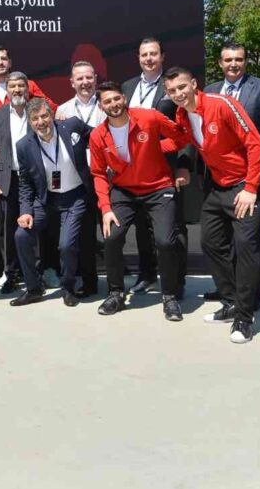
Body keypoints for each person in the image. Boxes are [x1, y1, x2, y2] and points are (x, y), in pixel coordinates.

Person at [163, 67, 260, 343]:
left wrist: (251, 188)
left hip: (245, 186)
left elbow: (255, 144)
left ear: (193, 84)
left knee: (245, 247)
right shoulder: (182, 115)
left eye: (182, 87)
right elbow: (179, 142)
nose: (178, 94)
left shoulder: (222, 104)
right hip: (217, 187)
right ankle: (231, 301)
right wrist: (141, 147)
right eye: (172, 91)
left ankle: (244, 317)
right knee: (210, 242)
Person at [88, 81, 189, 322]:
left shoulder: (149, 117)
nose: (113, 104)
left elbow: (181, 137)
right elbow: (99, 174)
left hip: (159, 188)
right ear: (101, 107)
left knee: (165, 241)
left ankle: (170, 296)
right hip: (124, 191)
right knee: (112, 237)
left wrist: (158, 146)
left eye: (116, 99)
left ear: (124, 98)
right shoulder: (97, 135)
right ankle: (115, 293)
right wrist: (105, 209)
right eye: (107, 101)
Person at [202, 43, 260, 307]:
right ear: (220, 63)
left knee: (250, 239)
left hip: (250, 176)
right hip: (217, 179)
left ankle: (255, 293)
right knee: (220, 238)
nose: (233, 64)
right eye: (228, 60)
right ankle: (229, 288)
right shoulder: (210, 91)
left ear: (246, 61)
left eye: (238, 59)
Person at [121, 38, 193, 297]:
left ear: (162, 56)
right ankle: (147, 275)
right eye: (144, 55)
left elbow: (186, 128)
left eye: (153, 54)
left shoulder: (172, 86)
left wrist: (183, 166)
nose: (149, 59)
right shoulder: (127, 86)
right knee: (142, 226)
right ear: (138, 58)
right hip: (135, 170)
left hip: (167, 167)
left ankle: (177, 281)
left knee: (173, 228)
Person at [9, 98, 92, 307]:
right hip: (46, 199)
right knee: (21, 235)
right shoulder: (24, 146)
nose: (41, 122)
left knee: (66, 245)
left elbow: (98, 136)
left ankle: (68, 288)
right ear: (29, 121)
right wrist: (25, 211)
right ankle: (33, 288)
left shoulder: (71, 126)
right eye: (35, 118)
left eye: (44, 116)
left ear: (52, 115)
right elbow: (25, 183)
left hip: (75, 197)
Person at [54, 60, 105, 296]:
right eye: (80, 78)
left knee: (112, 232)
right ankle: (89, 281)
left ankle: (116, 283)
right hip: (78, 181)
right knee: (84, 234)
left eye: (89, 77)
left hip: (108, 177)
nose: (85, 82)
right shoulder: (62, 111)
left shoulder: (107, 104)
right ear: (72, 82)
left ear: (95, 79)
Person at [0, 71, 32, 293]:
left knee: (35, 225)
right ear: (7, 90)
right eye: (13, 86)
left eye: (21, 86)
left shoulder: (37, 111)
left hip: (33, 179)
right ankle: (10, 272)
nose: (17, 90)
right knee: (7, 228)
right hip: (6, 179)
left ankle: (36, 271)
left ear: (27, 88)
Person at [0, 45, 55, 116]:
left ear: (10, 63)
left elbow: (51, 107)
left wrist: (60, 111)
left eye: (3, 58)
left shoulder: (28, 84)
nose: (0, 62)